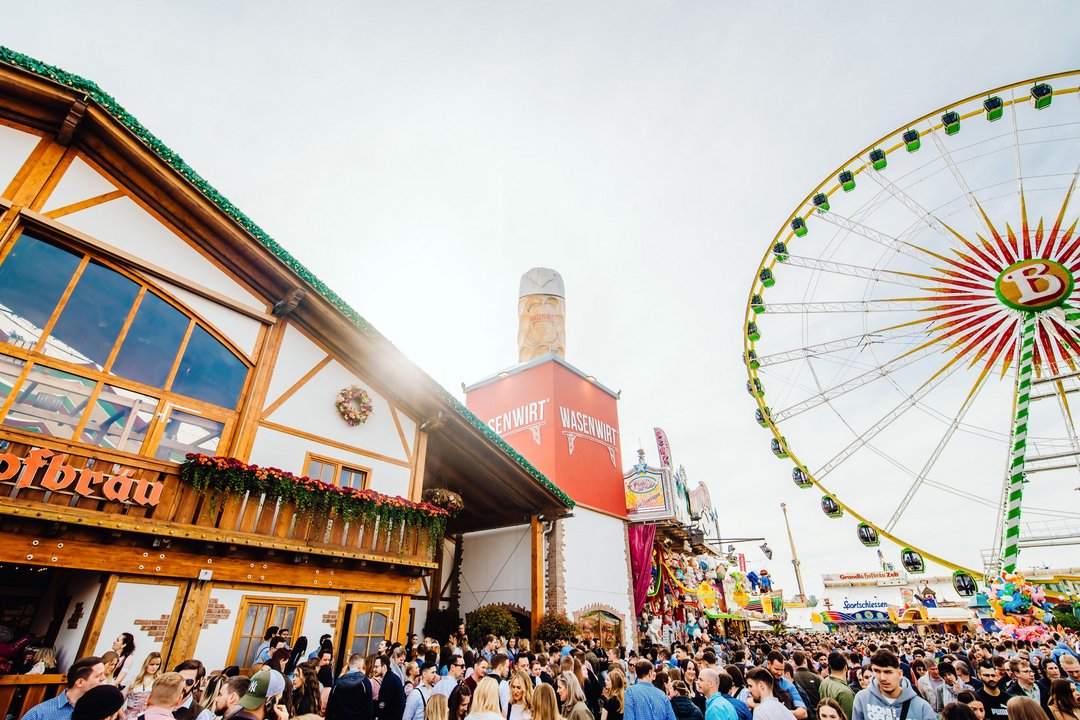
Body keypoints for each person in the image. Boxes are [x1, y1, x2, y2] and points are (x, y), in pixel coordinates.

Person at [851, 650, 935, 720]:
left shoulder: (921, 707)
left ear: (899, 674)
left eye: (888, 672)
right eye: (877, 671)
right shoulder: (862, 698)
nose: (882, 678)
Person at [23, 656, 107, 720]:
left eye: (104, 674)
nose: (103, 678)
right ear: (80, 682)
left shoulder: (102, 707)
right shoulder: (39, 713)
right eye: (98, 675)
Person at [325, 653, 374, 720]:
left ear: (348, 665)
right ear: (359, 667)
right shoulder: (365, 682)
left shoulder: (338, 682)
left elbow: (330, 707)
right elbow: (369, 709)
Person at [123, 653, 163, 720]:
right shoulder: (134, 680)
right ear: (146, 664)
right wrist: (122, 715)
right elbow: (120, 699)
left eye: (157, 664)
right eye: (152, 664)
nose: (154, 667)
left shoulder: (159, 682)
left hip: (148, 716)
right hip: (129, 716)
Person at [818, 654, 854, 720]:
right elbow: (849, 717)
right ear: (846, 667)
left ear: (830, 666)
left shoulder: (824, 682)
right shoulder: (845, 692)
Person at [793, 653, 822, 720]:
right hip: (816, 714)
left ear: (794, 663)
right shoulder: (817, 677)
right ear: (805, 661)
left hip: (800, 714)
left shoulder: (791, 678)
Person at [378, 654, 407, 720]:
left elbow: (382, 704)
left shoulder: (389, 681)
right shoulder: (392, 677)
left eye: (376, 667)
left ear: (384, 667)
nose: (374, 669)